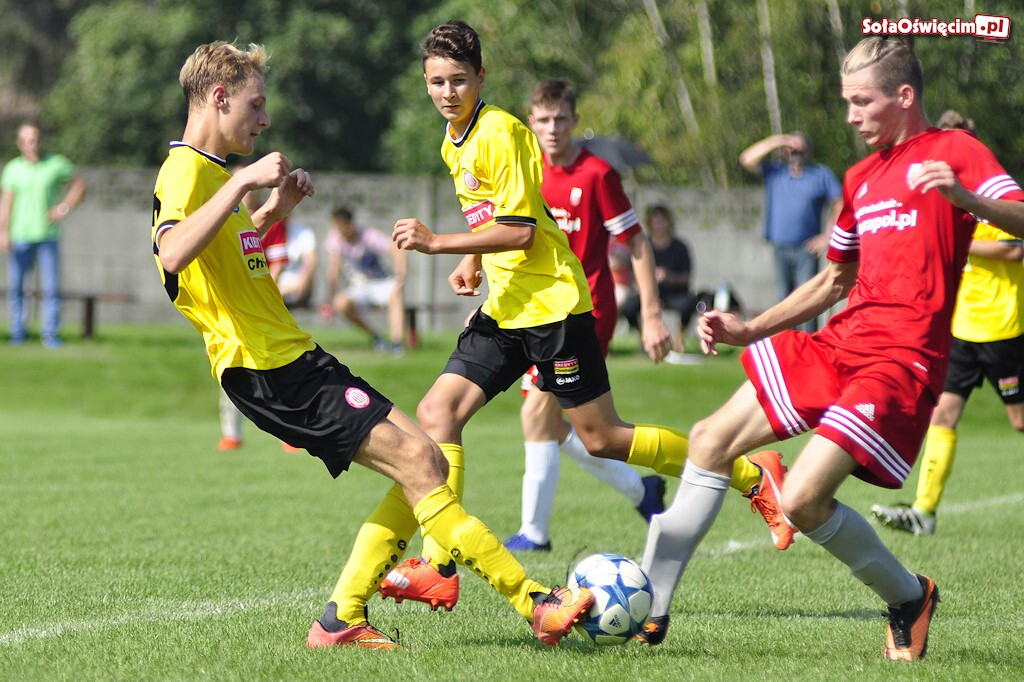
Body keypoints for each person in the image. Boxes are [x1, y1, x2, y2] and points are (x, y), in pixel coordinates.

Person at [154, 40, 596, 650]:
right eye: (256, 105)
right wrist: (245, 184)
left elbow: (226, 256)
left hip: (293, 357)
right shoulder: (187, 171)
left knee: (427, 456)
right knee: (418, 460)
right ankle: (535, 602)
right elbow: (174, 253)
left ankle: (340, 619)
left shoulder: (212, 173)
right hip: (266, 368)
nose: (265, 119)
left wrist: (272, 209)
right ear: (219, 98)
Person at [381, 21, 793, 611]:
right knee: (437, 411)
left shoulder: (502, 132)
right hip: (506, 307)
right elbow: (490, 212)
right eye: (436, 82)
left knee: (602, 438)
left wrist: (437, 243)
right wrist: (472, 259)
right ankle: (439, 564)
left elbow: (521, 232)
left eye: (459, 80)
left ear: (481, 77)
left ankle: (752, 473)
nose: (447, 92)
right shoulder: (453, 140)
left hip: (553, 307)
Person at [636, 37, 1024, 662]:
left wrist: (968, 201)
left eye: (861, 101)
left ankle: (909, 597)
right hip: (842, 341)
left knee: (801, 500)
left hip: (902, 362)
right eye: (847, 102)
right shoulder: (860, 178)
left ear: (904, 96)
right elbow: (833, 282)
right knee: (708, 438)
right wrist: (750, 327)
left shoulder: (955, 150)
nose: (849, 115)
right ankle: (649, 609)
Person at [503, 80, 784, 552]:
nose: (552, 129)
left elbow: (636, 244)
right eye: (544, 120)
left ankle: (535, 533)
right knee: (580, 431)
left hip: (584, 313)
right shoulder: (528, 171)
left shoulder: (597, 174)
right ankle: (642, 490)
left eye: (561, 119)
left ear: (575, 121)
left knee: (537, 412)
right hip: (538, 313)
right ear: (531, 122)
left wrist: (651, 314)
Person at [871, 112, 1024, 536]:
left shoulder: (994, 195)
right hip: (961, 330)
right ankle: (925, 511)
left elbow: (1014, 250)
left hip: (1003, 327)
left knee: (1018, 419)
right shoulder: (940, 199)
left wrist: (957, 241)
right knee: (943, 415)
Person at [739, 129, 842, 331]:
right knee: (783, 303)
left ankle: (808, 344)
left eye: (800, 151)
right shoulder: (776, 172)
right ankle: (787, 345)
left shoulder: (820, 174)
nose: (796, 155)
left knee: (807, 301)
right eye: (792, 151)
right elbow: (746, 159)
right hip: (780, 247)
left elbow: (839, 201)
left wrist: (827, 236)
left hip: (806, 249)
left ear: (809, 152)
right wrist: (778, 140)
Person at [217, 182, 289, 452]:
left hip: (263, 303)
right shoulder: (221, 216)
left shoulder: (271, 215)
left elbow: (278, 263)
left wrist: (266, 295)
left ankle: (291, 434)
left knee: (280, 364)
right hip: (232, 305)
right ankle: (231, 435)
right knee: (230, 365)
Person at [0, 122, 87, 347]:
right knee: (17, 287)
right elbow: (7, 202)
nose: (33, 144)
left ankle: (50, 333)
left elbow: (79, 185)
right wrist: (3, 231)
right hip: (20, 235)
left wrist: (63, 208)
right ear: (20, 144)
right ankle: (18, 331)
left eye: (36, 140)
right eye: (28, 141)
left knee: (51, 288)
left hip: (47, 235)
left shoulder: (56, 164)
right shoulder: (13, 169)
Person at [321, 205, 406, 353]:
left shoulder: (368, 235)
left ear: (349, 224)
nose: (338, 231)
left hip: (380, 282)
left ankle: (397, 343)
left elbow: (397, 250)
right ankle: (376, 337)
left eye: (340, 227)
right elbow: (333, 271)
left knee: (396, 293)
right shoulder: (335, 239)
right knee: (341, 303)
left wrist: (400, 278)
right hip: (359, 287)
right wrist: (330, 299)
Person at [620, 205, 696, 353]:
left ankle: (678, 340)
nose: (658, 225)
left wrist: (669, 277)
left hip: (673, 293)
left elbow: (686, 278)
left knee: (689, 303)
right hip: (648, 293)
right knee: (628, 307)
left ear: (669, 222)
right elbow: (633, 276)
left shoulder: (680, 247)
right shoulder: (643, 246)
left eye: (662, 221)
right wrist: (645, 282)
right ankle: (645, 338)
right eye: (655, 221)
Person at [274, 218, 317, 308]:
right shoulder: (269, 233)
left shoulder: (303, 232)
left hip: (296, 285)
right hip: (276, 285)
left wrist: (302, 280)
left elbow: (311, 261)